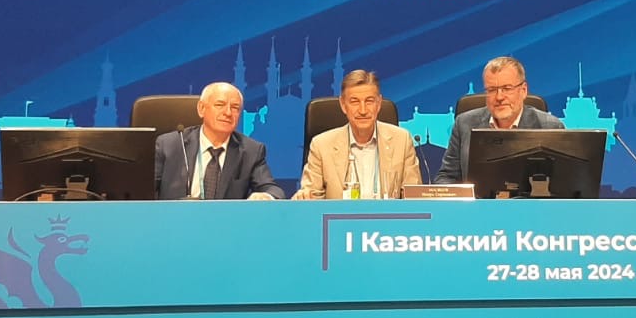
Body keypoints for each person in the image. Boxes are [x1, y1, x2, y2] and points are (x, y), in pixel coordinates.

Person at [435, 56, 564, 184]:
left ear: (523, 90)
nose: (499, 97)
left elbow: (562, 183)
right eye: (492, 90)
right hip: (478, 198)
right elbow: (446, 177)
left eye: (507, 89)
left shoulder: (550, 127)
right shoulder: (464, 124)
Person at [294, 70, 421, 199]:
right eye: (354, 102)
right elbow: (309, 198)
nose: (363, 110)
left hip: (388, 213)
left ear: (378, 104)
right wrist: (304, 197)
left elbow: (414, 199)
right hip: (340, 213)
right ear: (343, 105)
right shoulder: (321, 146)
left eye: (369, 101)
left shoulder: (402, 141)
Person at [154, 82, 283, 200]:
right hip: (176, 217)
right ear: (201, 109)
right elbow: (146, 191)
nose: (228, 113)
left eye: (235, 107)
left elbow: (272, 189)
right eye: (220, 105)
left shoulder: (251, 151)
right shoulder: (170, 145)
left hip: (227, 218)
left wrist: (266, 196)